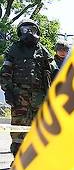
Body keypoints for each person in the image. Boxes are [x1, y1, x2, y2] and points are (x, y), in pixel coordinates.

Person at [0, 19, 58, 157]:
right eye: (25, 30)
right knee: (19, 130)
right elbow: (5, 72)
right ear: (20, 32)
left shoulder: (41, 49)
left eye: (31, 30)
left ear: (37, 31)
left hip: (39, 97)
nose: (28, 33)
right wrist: (7, 90)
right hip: (19, 97)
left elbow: (54, 69)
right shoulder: (14, 49)